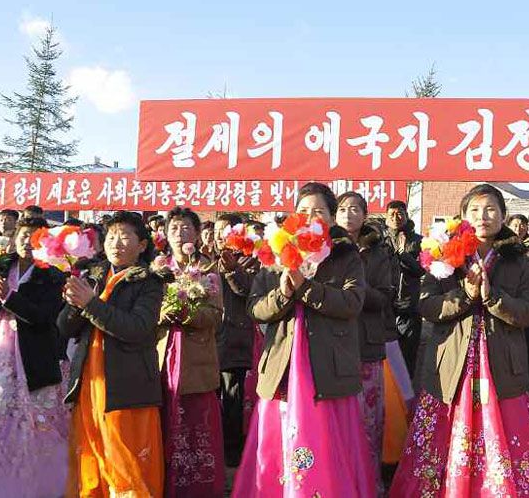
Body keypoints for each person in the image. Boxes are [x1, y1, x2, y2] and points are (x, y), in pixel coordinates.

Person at [391, 184, 529, 497]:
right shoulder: (443, 252)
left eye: (491, 209)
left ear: (503, 215)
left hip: (502, 365)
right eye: (475, 210)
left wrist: (493, 297)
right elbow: (427, 306)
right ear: (463, 215)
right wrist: (464, 295)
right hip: (452, 364)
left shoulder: (517, 259)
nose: (483, 216)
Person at [234, 182, 374, 496]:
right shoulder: (276, 253)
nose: (310, 217)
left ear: (331, 217)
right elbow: (256, 307)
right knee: (280, 436)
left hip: (328, 368)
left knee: (327, 438)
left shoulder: (346, 256)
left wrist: (305, 288)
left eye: (319, 212)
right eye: (304, 211)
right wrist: (284, 292)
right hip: (283, 365)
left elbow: (352, 303)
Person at [59, 211, 166, 496]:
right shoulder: (93, 274)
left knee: (126, 463)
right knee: (93, 456)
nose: (116, 242)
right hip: (90, 384)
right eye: (112, 235)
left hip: (126, 387)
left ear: (142, 245)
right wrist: (73, 303)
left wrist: (91, 304)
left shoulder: (149, 282)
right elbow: (65, 328)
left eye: (125, 235)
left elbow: (138, 328)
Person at [0, 217, 69, 497]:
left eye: (37, 237)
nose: (29, 242)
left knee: (38, 426)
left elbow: (45, 317)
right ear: (15, 239)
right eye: (24, 236)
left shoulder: (53, 274)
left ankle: (36, 486)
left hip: (35, 358)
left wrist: (9, 297)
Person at [155, 207, 226, 497]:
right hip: (162, 354)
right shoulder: (157, 269)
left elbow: (216, 316)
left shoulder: (209, 271)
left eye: (186, 228)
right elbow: (145, 312)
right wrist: (163, 313)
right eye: (174, 228)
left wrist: (186, 314)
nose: (180, 233)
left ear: (197, 235)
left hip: (196, 359)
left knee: (198, 425)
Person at [337, 191, 398, 494]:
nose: (349, 215)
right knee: (337, 423)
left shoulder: (377, 252)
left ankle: (370, 483)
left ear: (364, 215)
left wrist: (356, 290)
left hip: (367, 343)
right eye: (343, 209)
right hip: (331, 345)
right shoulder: (325, 247)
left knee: (369, 423)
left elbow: (386, 297)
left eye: (355, 209)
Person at [212, 212, 260, 467]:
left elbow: (248, 290)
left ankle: (232, 455)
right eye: (218, 230)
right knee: (213, 398)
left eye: (226, 230)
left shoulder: (251, 260)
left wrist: (232, 270)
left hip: (236, 340)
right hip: (210, 340)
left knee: (233, 400)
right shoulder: (207, 260)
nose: (221, 235)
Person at [385, 200, 424, 377]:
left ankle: (406, 399)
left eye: (400, 213)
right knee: (384, 357)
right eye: (391, 214)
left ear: (407, 216)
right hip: (385, 306)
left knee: (407, 356)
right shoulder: (379, 240)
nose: (396, 217)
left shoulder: (419, 241)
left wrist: (403, 254)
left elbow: (421, 270)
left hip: (409, 305)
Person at [508, 213, 529, 401]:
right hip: (509, 302)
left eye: (523, 225)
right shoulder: (502, 247)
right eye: (515, 224)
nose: (519, 228)